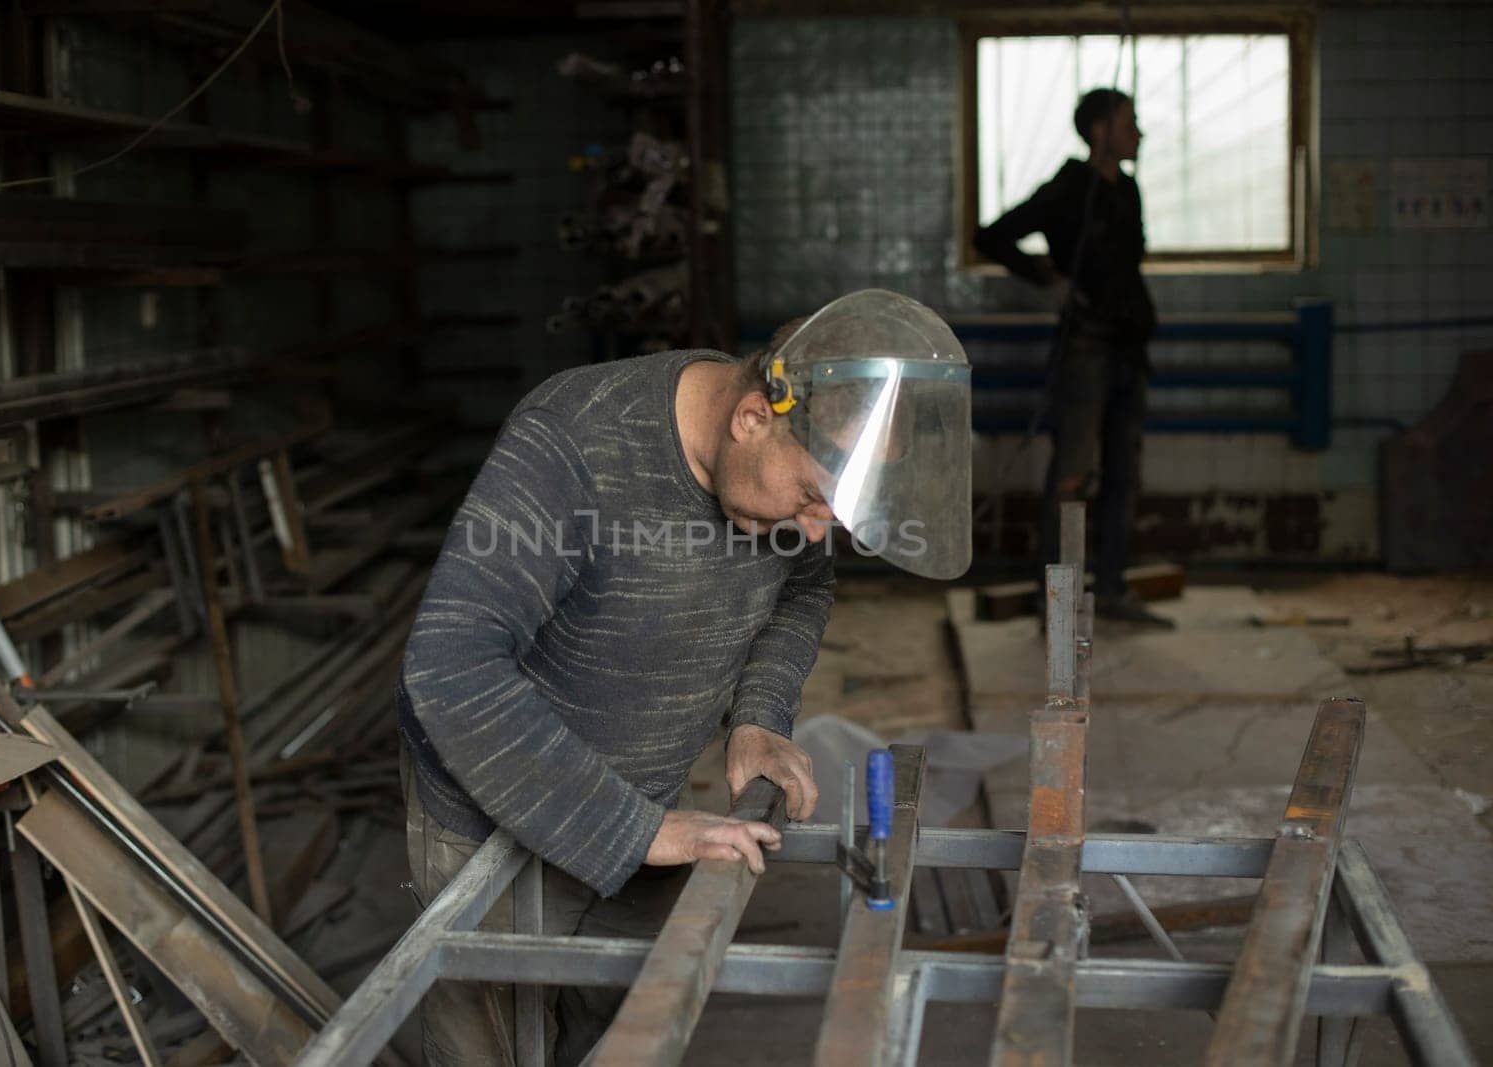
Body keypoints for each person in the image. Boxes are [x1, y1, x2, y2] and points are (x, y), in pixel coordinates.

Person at [397, 289, 972, 1065]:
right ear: (751, 418)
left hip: (643, 803)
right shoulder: (574, 443)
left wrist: (760, 713)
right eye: (810, 497)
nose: (815, 530)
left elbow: (803, 589)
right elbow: (449, 665)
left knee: (628, 1035)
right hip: (491, 821)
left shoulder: (785, 487)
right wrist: (635, 831)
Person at [973, 87, 1173, 627]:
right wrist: (1047, 277)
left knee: (1124, 475)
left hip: (1130, 347)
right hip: (1085, 347)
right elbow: (990, 236)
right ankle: (1055, 600)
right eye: (1130, 122)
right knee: (1072, 475)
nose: (1139, 133)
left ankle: (1109, 588)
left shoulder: (1126, 190)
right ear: (1101, 130)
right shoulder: (1068, 189)